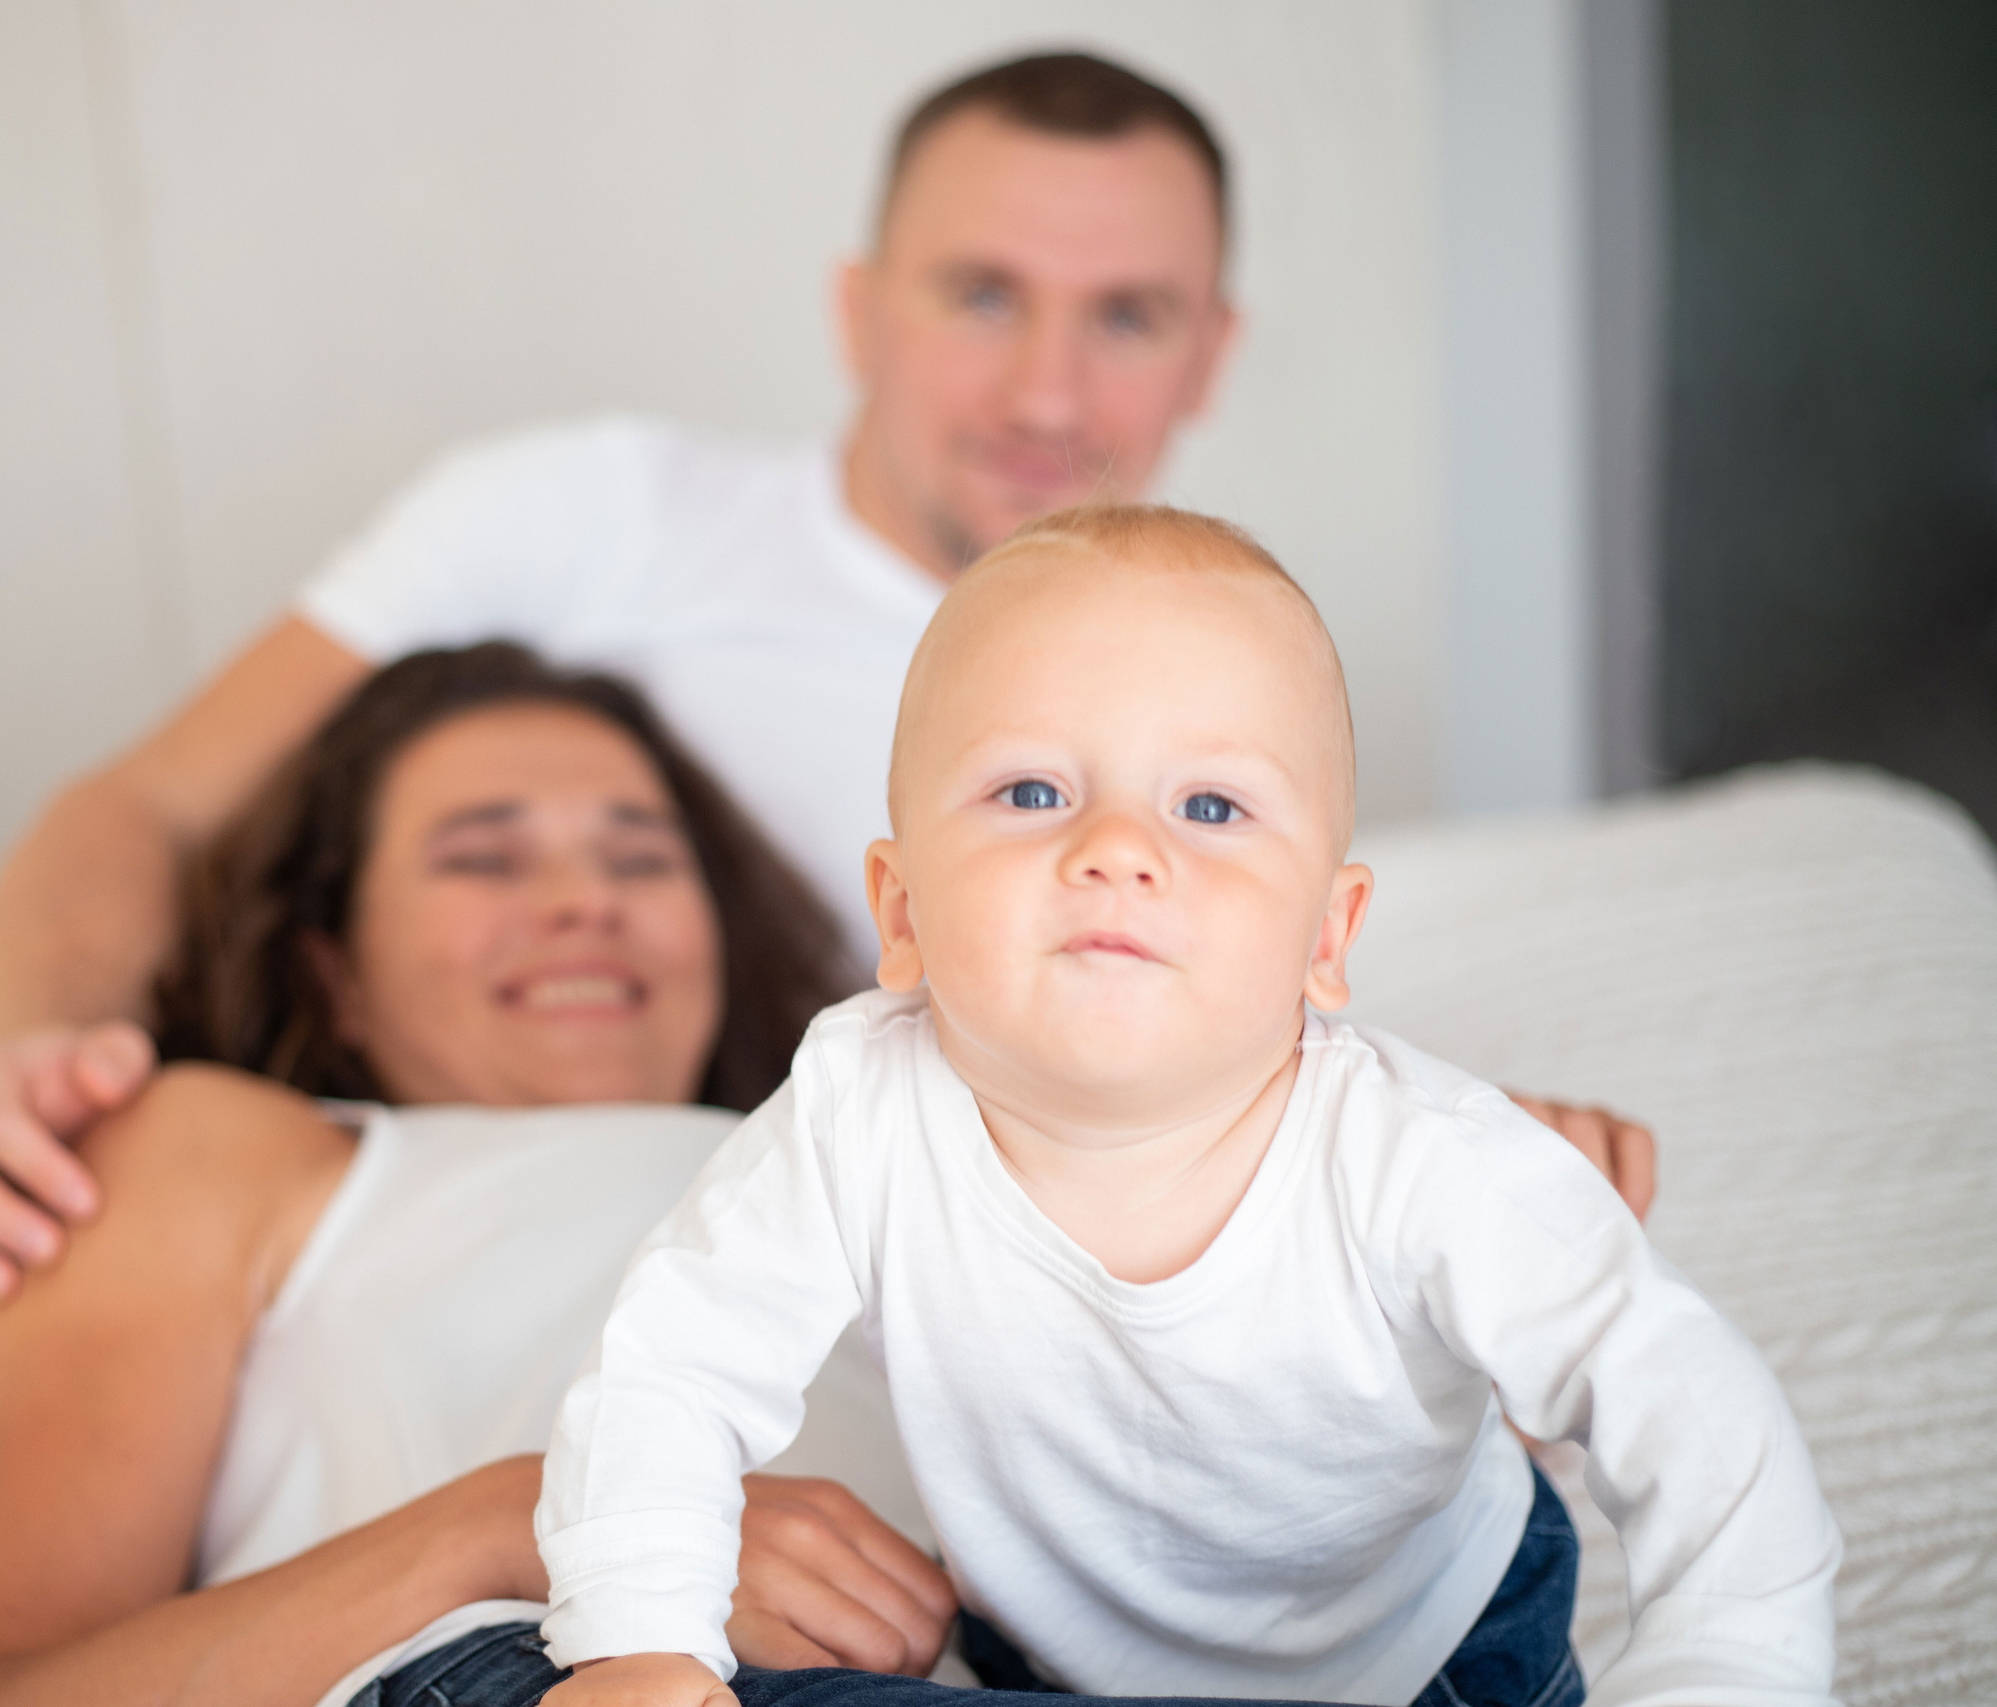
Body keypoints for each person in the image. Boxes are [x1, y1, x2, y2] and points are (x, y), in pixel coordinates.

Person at [0, 49, 1657, 1327]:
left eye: (1127, 316)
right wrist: (38, 1060)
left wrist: (1466, 1164)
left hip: (724, 1291)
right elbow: (143, 809)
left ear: (1212, 350)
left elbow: (1211, 1109)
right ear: (858, 310)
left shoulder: (1231, 681)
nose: (1047, 392)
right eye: (982, 296)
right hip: (300, 1211)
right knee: (12, 1163)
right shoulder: (587, 514)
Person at [528, 508, 1840, 1707]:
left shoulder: (1420, 1158)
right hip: (1051, 1653)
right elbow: (671, 1368)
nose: (1117, 848)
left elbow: (1683, 1391)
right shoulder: (855, 1113)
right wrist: (640, 1638)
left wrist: (1731, 1666)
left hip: (1427, 1649)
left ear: (1326, 938)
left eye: (1210, 806)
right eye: (1032, 792)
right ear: (903, 910)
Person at [0, 647, 931, 1707]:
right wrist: (539, 1519)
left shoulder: (894, 1126)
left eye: (640, 860)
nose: (580, 905)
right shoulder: (218, 1149)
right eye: (482, 860)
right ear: (334, 971)